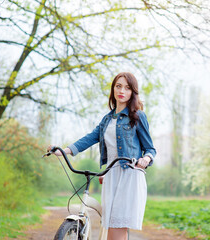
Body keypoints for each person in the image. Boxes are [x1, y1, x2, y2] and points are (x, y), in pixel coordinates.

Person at [47, 72, 156, 240]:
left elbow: (150, 149)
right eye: (118, 86)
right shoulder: (107, 120)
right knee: (111, 226)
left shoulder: (137, 116)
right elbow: (91, 138)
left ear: (132, 92)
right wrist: (65, 151)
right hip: (111, 175)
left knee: (117, 227)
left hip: (130, 174)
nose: (122, 91)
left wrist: (145, 159)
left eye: (127, 88)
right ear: (113, 89)